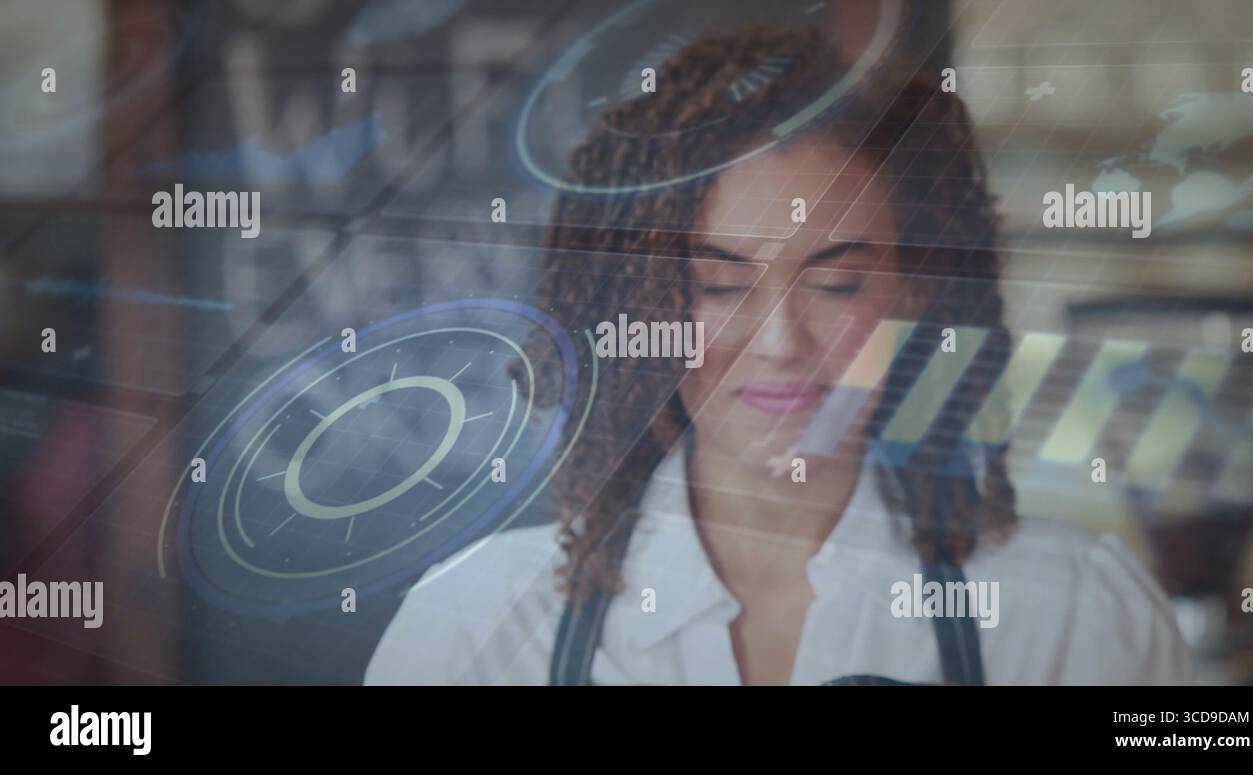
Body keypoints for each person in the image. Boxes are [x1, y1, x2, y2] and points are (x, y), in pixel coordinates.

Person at [366, 27, 1195, 685]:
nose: (779, 343)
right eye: (718, 285)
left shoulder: (1080, 613)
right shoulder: (468, 625)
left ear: (915, 290)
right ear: (640, 302)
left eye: (838, 285)